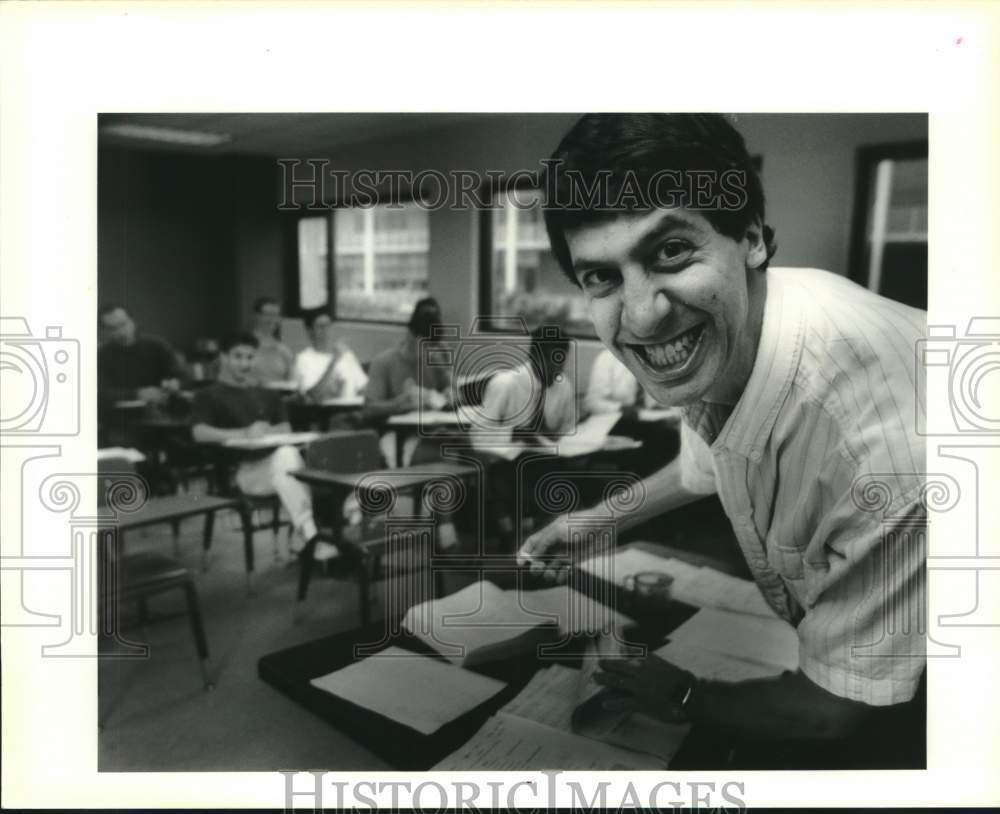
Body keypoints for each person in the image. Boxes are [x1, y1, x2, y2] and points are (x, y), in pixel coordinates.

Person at [517, 113, 926, 755]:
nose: (642, 316)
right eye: (601, 276)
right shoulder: (739, 330)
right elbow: (703, 464)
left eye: (671, 251)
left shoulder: (881, 447)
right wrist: (592, 521)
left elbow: (836, 711)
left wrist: (682, 696)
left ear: (753, 239)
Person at [190, 333, 336, 560]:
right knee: (292, 463)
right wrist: (244, 433)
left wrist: (268, 431)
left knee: (296, 457)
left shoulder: (266, 394)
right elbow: (199, 433)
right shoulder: (208, 395)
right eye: (238, 357)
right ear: (224, 357)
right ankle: (309, 537)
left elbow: (285, 428)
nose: (245, 363)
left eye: (250, 357)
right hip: (239, 475)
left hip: (274, 468)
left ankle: (309, 535)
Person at [364, 297, 453, 466]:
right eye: (424, 345)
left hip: (432, 432)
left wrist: (450, 390)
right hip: (398, 435)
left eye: (431, 346)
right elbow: (368, 409)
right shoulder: (384, 362)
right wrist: (399, 403)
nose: (428, 351)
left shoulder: (432, 360)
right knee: (432, 457)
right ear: (411, 335)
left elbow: (451, 392)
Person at [471, 324, 576, 449]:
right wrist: (515, 434)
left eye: (561, 361)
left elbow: (568, 430)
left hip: (549, 458)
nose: (557, 369)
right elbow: (478, 436)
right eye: (550, 361)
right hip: (509, 460)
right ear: (534, 356)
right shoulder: (504, 384)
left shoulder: (563, 385)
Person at [97, 304, 184, 411]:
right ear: (104, 331)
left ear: (132, 321)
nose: (121, 332)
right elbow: (100, 393)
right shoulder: (101, 355)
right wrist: (137, 394)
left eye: (123, 324)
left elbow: (181, 376)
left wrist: (176, 383)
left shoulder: (157, 345)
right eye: (112, 328)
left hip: (161, 412)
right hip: (121, 417)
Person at [293, 309, 368, 402]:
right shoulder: (303, 359)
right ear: (310, 331)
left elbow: (364, 388)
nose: (326, 331)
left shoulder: (346, 355)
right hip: (323, 413)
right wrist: (333, 362)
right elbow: (313, 396)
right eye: (321, 327)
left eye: (328, 326)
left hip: (352, 411)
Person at [249, 297, 295, 385]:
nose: (273, 319)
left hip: (278, 397)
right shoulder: (243, 345)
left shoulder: (284, 350)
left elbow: (291, 382)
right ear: (256, 316)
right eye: (268, 314)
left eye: (276, 315)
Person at [585, 347, 641, 416]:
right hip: (615, 418)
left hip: (648, 419)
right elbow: (592, 403)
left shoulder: (650, 357)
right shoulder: (607, 358)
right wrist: (619, 408)